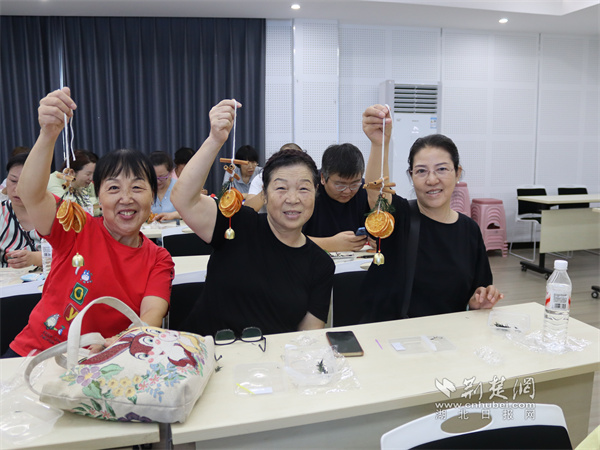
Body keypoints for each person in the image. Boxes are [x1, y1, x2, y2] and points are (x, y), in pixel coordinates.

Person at [4, 87, 174, 358]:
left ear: (152, 196)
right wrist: (48, 134)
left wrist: (117, 342)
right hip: (35, 355)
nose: (126, 198)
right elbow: (30, 194)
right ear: (99, 197)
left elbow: (151, 314)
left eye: (138, 187)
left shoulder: (158, 259)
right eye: (114, 188)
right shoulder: (76, 226)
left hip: (106, 361)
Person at [172, 100, 334, 337]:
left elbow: (306, 337)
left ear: (316, 193)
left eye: (303, 188)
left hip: (269, 358)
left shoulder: (321, 265)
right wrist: (215, 139)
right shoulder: (238, 224)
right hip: (208, 350)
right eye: (281, 188)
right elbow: (184, 199)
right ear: (264, 194)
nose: (293, 199)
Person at [360, 105, 503, 322]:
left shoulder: (469, 230)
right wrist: (380, 144)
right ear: (411, 176)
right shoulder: (400, 216)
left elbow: (478, 291)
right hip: (395, 333)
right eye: (421, 171)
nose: (432, 180)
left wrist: (479, 301)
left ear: (458, 173)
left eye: (442, 169)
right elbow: (376, 194)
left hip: (448, 334)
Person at [302, 143, 371, 252]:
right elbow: (288, 239)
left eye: (354, 184)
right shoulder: (307, 190)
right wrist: (331, 244)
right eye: (340, 185)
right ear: (323, 178)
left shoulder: (365, 190)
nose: (347, 191)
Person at [0, 153, 43, 268]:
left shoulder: (57, 214)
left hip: (49, 277)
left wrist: (37, 258)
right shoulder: (2, 212)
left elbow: (72, 254)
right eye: (13, 181)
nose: (17, 189)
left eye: (26, 182)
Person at [245, 142, 302, 213]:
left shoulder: (306, 180)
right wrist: (266, 190)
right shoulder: (262, 178)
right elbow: (247, 210)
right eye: (287, 159)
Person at [47, 149, 99, 216]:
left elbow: (99, 206)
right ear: (71, 172)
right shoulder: (52, 181)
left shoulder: (87, 184)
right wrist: (93, 204)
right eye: (88, 174)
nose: (91, 178)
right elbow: (68, 207)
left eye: (93, 174)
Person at [150, 150, 181, 222]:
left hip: (176, 228)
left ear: (170, 172)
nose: (157, 181)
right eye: (153, 177)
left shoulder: (179, 187)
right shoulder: (145, 188)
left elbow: (192, 211)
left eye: (162, 177)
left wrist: (174, 215)